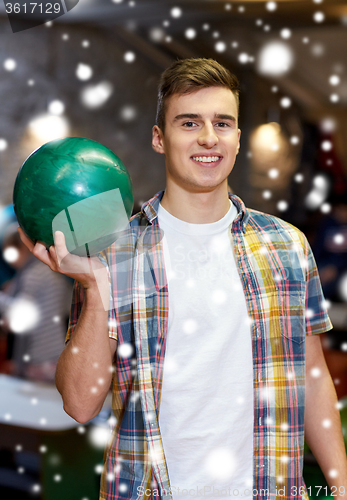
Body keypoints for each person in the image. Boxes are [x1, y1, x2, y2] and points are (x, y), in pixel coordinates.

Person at [19, 58, 347, 500]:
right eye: (189, 122)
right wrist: (95, 289)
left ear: (235, 138)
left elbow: (311, 374)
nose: (208, 138)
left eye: (223, 123)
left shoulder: (287, 245)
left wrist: (340, 486)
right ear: (159, 138)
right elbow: (79, 405)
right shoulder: (113, 251)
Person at [0, 227, 73, 382]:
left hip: (40, 356)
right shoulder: (52, 272)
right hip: (58, 351)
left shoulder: (31, 275)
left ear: (22, 249)